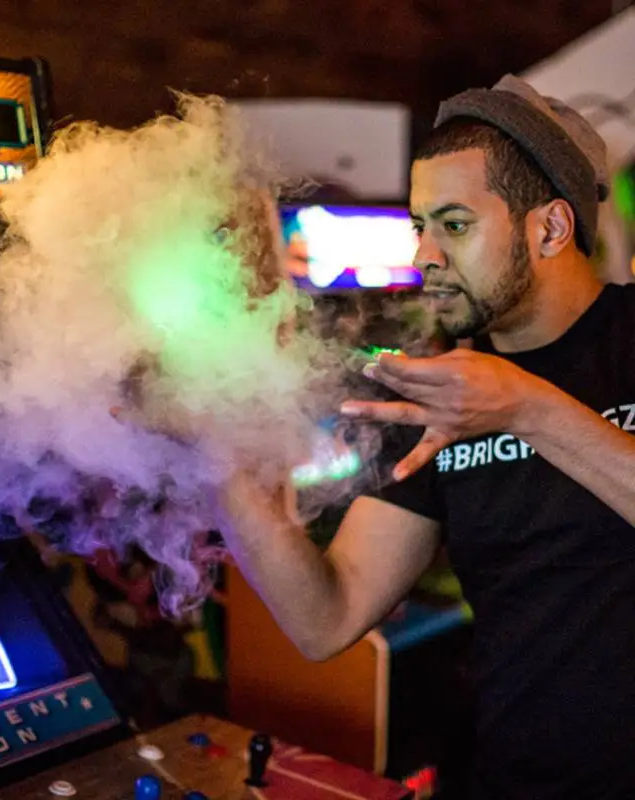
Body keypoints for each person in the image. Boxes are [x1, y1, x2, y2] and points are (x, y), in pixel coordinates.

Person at [217, 74, 635, 800]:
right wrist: (219, 469)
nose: (424, 258)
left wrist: (526, 408)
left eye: (455, 225)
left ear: (550, 229)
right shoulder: (434, 392)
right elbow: (326, 619)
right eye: (420, 227)